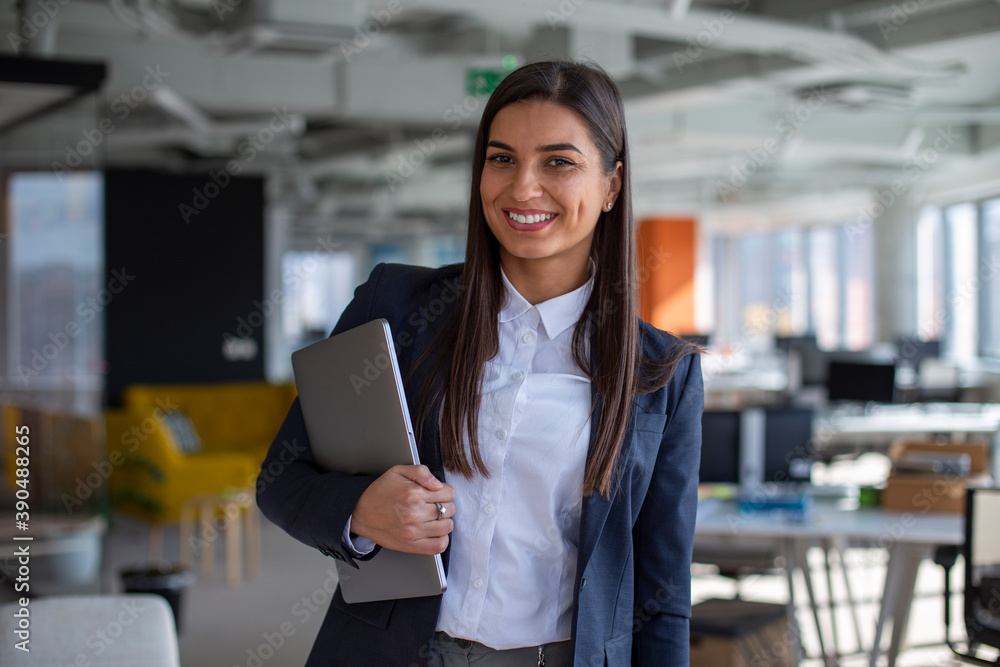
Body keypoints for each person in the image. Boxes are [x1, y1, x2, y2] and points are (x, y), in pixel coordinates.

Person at [257, 59, 703, 667]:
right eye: (502, 159)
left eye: (558, 162)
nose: (522, 188)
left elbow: (662, 592)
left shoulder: (662, 374)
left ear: (611, 186)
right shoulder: (393, 308)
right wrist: (360, 511)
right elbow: (282, 481)